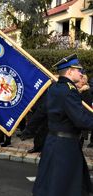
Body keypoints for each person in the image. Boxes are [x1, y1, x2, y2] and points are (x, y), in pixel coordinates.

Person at [33, 54, 93, 196]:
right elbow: (80, 119)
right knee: (63, 186)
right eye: (78, 70)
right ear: (69, 71)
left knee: (51, 183)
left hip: (53, 142)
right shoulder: (69, 91)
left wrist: (29, 130)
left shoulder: (55, 88)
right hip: (65, 146)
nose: (81, 72)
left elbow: (42, 111)